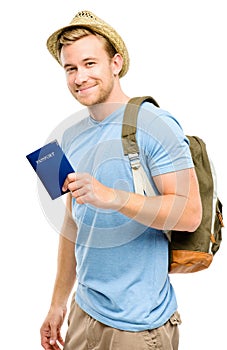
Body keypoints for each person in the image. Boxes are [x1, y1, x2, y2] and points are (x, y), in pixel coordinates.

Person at [40, 10, 202, 350]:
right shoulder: (69, 137)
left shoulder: (155, 124)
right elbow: (72, 225)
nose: (79, 77)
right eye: (70, 68)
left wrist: (111, 196)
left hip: (138, 324)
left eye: (89, 63)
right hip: (83, 314)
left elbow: (189, 215)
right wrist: (58, 304)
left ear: (115, 63)